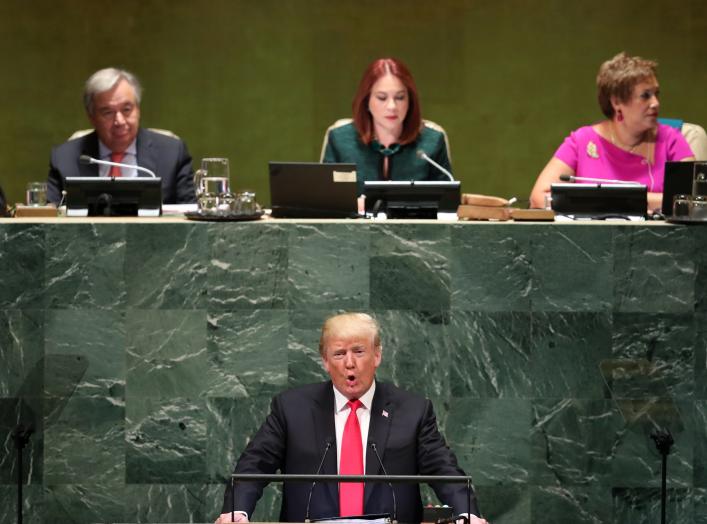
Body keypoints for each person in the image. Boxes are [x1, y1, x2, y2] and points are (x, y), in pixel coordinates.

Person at [216, 312, 487, 524]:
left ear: (377, 354)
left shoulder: (413, 410)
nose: (349, 363)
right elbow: (254, 465)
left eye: (358, 351)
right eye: (338, 353)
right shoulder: (291, 408)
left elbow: (444, 471)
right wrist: (236, 511)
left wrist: (467, 515)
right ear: (325, 360)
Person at [529, 52, 695, 211]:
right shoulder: (583, 141)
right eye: (645, 96)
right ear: (617, 102)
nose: (656, 103)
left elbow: (693, 200)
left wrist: (603, 200)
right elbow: (539, 198)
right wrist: (643, 201)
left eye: (656, 94)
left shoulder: (671, 139)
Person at [47, 67, 196, 205]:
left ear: (138, 109)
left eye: (126, 109)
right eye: (108, 112)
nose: (119, 121)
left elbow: (190, 214)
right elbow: (48, 216)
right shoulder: (64, 159)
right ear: (91, 117)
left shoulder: (172, 153)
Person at [321, 58, 452, 196]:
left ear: (410, 101)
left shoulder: (432, 142)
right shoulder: (340, 140)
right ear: (366, 100)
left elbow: (446, 207)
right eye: (382, 98)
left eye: (400, 97)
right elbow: (325, 203)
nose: (392, 106)